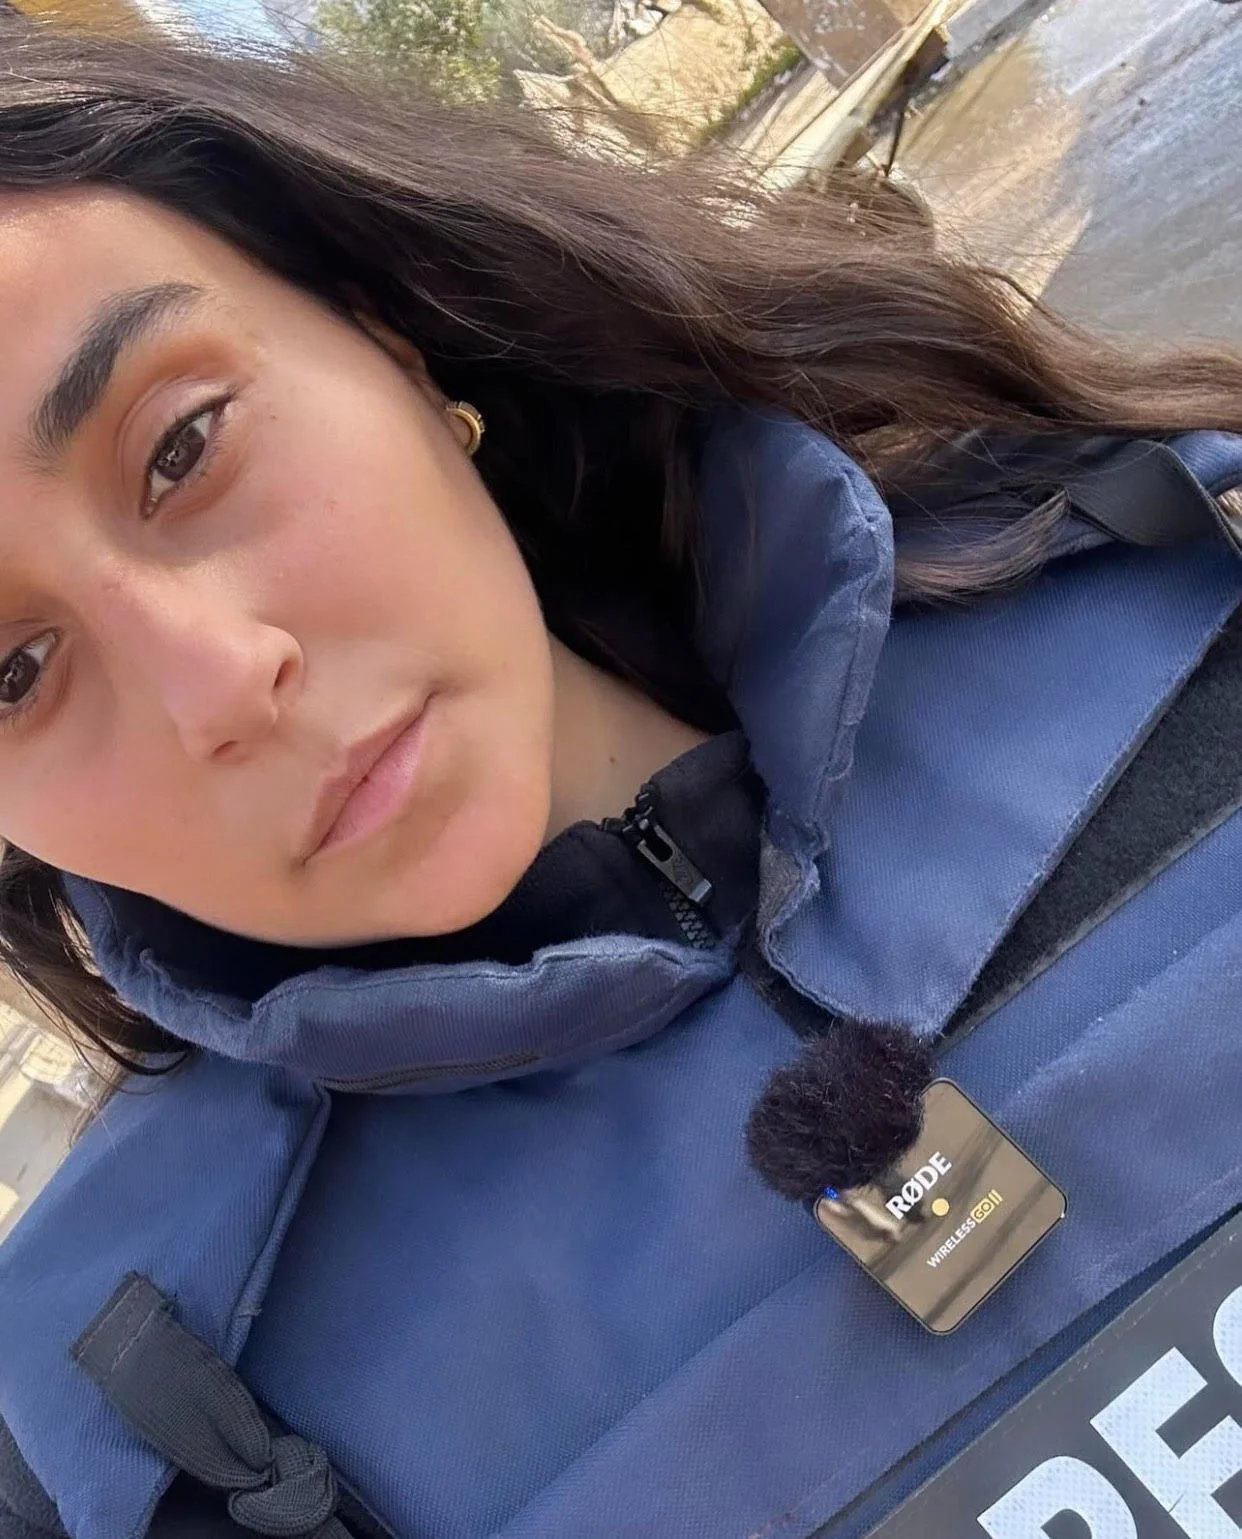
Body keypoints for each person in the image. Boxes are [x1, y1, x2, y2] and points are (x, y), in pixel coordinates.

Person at [0, 20, 1240, 1539]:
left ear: (381, 337)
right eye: (13, 674)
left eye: (184, 445)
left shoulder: (1188, 575)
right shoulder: (122, 1451)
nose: (221, 683)